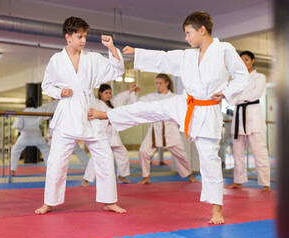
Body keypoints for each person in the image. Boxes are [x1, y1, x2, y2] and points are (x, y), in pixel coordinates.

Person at [88, 11, 249, 224]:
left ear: (202, 30)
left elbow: (242, 76)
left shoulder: (224, 49)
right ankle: (107, 114)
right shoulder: (188, 55)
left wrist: (227, 93)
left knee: (210, 160)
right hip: (185, 102)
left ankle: (216, 209)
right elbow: (163, 58)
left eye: (188, 33)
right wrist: (137, 52)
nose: (186, 38)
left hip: (208, 110)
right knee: (147, 108)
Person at [35, 16, 126, 215]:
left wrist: (111, 47)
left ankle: (109, 200)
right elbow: (47, 85)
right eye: (79, 36)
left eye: (84, 36)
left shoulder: (92, 58)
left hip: (89, 111)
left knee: (104, 156)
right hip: (67, 112)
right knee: (57, 161)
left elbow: (116, 70)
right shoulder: (56, 60)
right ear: (68, 37)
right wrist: (60, 93)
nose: (83, 40)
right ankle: (49, 201)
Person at [133, 74, 198, 184]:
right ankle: (146, 176)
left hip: (170, 129)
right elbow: (138, 103)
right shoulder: (152, 97)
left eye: (160, 83)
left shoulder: (174, 97)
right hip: (155, 128)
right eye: (156, 83)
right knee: (143, 151)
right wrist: (133, 93)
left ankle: (190, 175)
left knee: (181, 155)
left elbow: (184, 108)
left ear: (167, 83)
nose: (158, 85)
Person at [225, 51, 271, 192]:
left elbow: (254, 95)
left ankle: (266, 183)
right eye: (241, 60)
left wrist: (236, 97)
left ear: (253, 61)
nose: (243, 62)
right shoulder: (235, 80)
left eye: (246, 59)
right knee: (237, 152)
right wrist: (236, 98)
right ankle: (238, 181)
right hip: (238, 116)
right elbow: (229, 98)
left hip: (253, 116)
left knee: (259, 152)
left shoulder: (259, 77)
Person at [82, 83, 139, 187]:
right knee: (96, 157)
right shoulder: (96, 104)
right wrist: (107, 121)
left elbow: (121, 98)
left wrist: (130, 91)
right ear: (100, 93)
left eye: (110, 93)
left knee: (123, 153)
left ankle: (122, 177)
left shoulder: (112, 103)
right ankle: (86, 180)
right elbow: (93, 117)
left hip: (113, 135)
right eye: (106, 93)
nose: (108, 95)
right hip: (103, 135)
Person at [10, 97, 56, 175]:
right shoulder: (38, 111)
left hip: (25, 135)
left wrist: (23, 129)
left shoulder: (22, 113)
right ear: (35, 104)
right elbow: (47, 107)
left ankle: (12, 170)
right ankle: (51, 171)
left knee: (15, 151)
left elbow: (17, 126)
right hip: (37, 135)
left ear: (25, 105)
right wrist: (55, 101)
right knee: (47, 151)